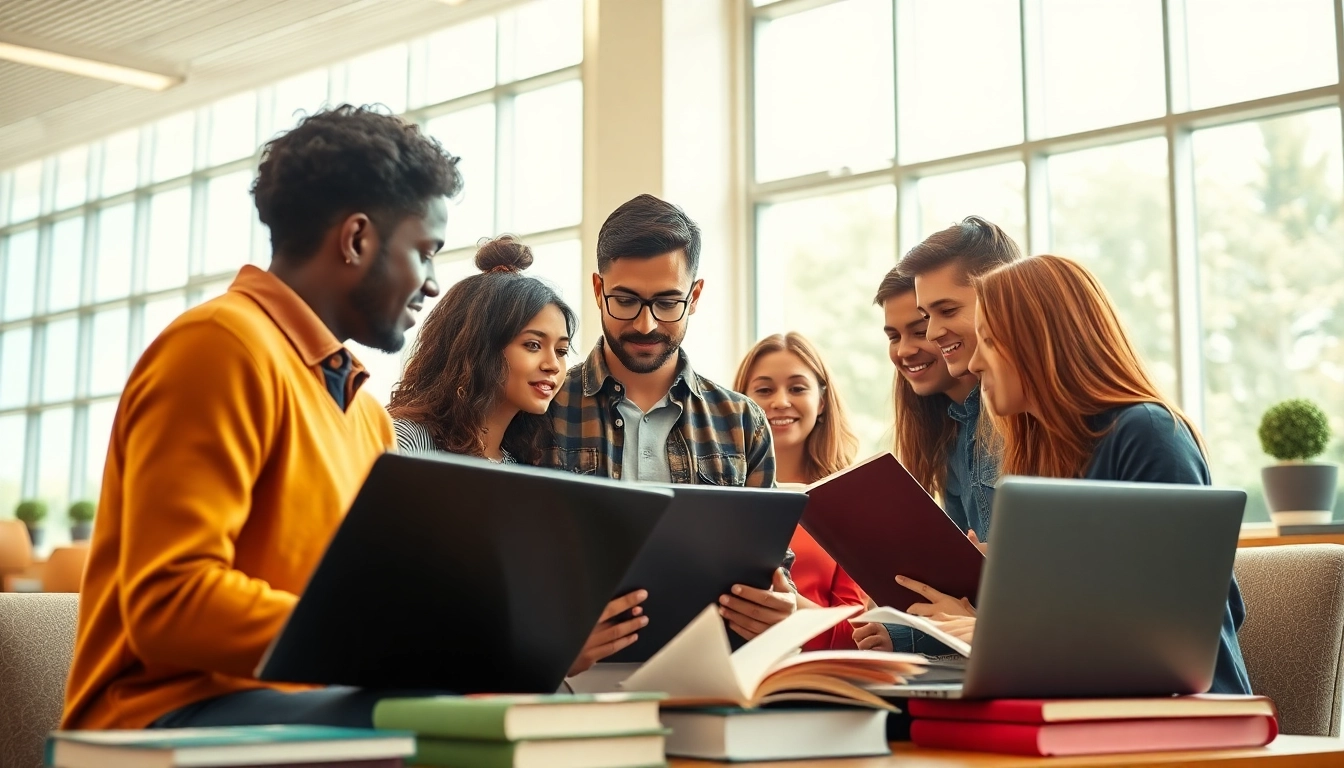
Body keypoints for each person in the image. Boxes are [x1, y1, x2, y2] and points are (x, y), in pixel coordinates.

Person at [62, 105, 463, 729]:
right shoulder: (219, 345)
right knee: (447, 729)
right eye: (426, 252)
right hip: (163, 717)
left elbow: (357, 601)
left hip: (296, 703)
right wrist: (385, 637)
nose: (433, 284)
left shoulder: (364, 413)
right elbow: (171, 601)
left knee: (505, 717)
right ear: (357, 239)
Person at [896, 254, 1252, 695]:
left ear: (1037, 341)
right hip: (1080, 701)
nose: (974, 365)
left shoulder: (1146, 433)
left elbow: (1176, 628)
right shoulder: (1039, 455)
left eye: (989, 342)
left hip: (1180, 713)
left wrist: (1000, 633)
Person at [387, 236, 648, 675]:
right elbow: (389, 599)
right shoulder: (407, 441)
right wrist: (546, 652)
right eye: (533, 345)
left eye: (562, 351)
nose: (553, 365)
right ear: (477, 349)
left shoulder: (519, 469)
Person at [548, 193, 794, 641]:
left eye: (667, 302)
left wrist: (780, 607)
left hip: (714, 676)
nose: (646, 325)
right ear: (598, 289)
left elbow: (774, 571)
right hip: (569, 678)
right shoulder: (544, 408)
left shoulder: (742, 421)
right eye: (625, 300)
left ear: (695, 295)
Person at [851, 269, 980, 654]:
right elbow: (961, 597)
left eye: (918, 330)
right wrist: (899, 631)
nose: (904, 350)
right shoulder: (947, 437)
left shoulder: (1010, 428)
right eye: (893, 336)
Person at [733, 332, 866, 650]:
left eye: (797, 388)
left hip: (812, 678)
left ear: (821, 401)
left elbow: (858, 634)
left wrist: (793, 611)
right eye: (764, 390)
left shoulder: (849, 503)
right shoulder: (714, 491)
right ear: (739, 403)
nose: (780, 401)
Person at [897, 215, 1021, 540]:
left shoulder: (1129, 427)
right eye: (927, 316)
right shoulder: (959, 426)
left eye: (948, 311)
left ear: (1002, 298)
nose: (933, 332)